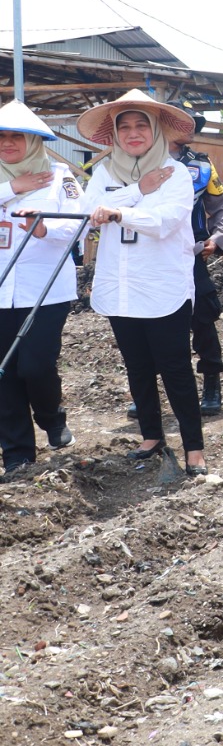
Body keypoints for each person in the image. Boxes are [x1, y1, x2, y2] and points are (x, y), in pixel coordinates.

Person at [78, 90, 208, 478]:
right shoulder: (104, 173)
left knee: (176, 369)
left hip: (162, 286)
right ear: (115, 135)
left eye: (141, 126)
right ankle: (151, 435)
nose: (133, 133)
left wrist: (118, 209)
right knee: (136, 366)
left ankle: (194, 447)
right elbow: (87, 214)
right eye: (125, 126)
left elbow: (164, 222)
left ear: (154, 131)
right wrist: (137, 192)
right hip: (120, 285)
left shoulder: (175, 174)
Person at [0, 100, 81, 476]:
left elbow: (81, 221)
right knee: (4, 372)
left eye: (18, 136)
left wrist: (47, 228)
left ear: (34, 141)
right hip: (1, 292)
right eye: (2, 136)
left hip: (45, 291)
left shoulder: (59, 174)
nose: (8, 143)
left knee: (35, 366)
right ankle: (17, 454)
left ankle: (51, 416)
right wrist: (11, 187)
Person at [171, 111, 223, 417]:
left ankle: (212, 384)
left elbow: (219, 208)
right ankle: (149, 390)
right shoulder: (139, 162)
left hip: (192, 253)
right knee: (155, 321)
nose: (191, 129)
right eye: (184, 123)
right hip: (154, 256)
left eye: (195, 124)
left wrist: (218, 239)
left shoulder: (201, 165)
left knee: (204, 317)